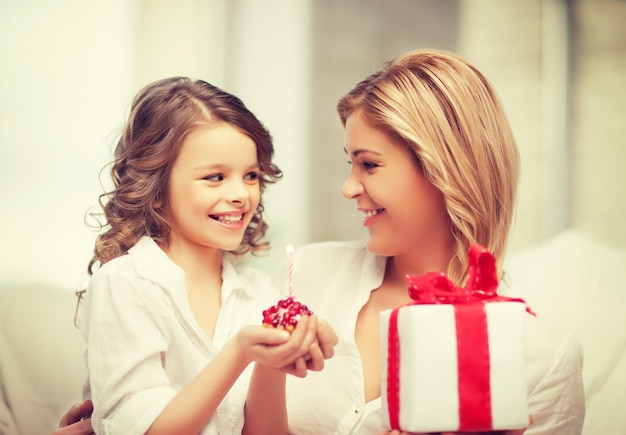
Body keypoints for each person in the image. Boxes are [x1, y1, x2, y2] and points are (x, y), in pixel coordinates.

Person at [57, 49, 585, 434]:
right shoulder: (299, 280)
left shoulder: (539, 357)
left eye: (370, 165)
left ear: (445, 170)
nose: (349, 187)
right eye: (349, 162)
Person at [66, 77, 336, 435]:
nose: (241, 194)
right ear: (156, 189)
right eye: (215, 177)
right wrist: (241, 351)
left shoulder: (258, 293)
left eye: (251, 175)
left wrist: (273, 363)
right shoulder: (124, 285)